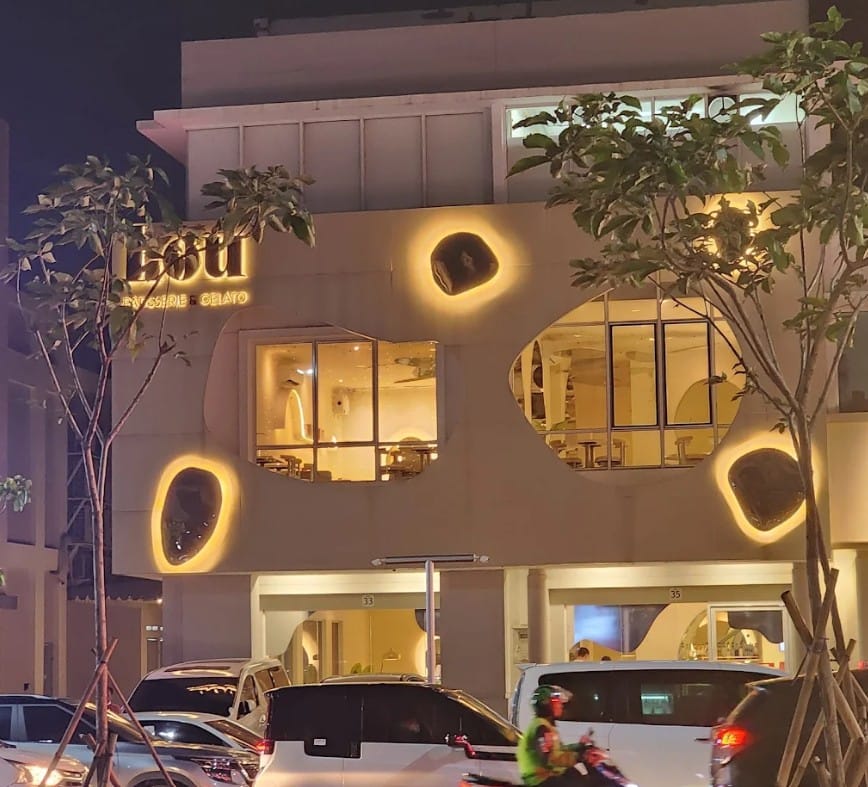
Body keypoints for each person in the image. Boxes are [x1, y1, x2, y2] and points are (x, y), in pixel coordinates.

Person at [517, 685, 585, 786]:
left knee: (577, 777)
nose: (561, 705)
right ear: (546, 704)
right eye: (556, 701)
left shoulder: (545, 725)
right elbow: (550, 759)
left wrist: (579, 746)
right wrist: (578, 757)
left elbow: (558, 750)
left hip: (547, 777)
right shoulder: (541, 728)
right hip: (540, 780)